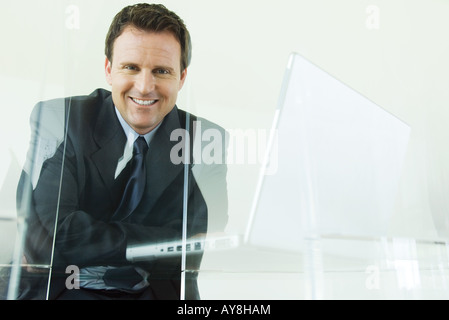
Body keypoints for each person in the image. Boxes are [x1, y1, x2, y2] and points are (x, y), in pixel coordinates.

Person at [13, 3, 228, 300]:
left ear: (181, 78)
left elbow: (198, 246)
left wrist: (89, 235)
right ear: (108, 70)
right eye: (131, 67)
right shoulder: (60, 118)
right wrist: (162, 241)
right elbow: (47, 237)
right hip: (59, 291)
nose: (144, 86)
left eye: (161, 71)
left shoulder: (204, 140)